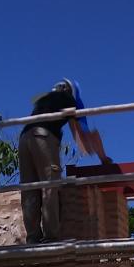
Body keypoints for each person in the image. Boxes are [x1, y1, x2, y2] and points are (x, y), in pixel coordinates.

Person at [18, 79, 111, 243]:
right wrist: (103, 158)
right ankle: (50, 237)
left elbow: (77, 139)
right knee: (50, 186)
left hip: (24, 138)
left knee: (29, 189)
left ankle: (33, 237)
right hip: (43, 137)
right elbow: (83, 137)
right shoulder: (69, 101)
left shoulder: (46, 101)